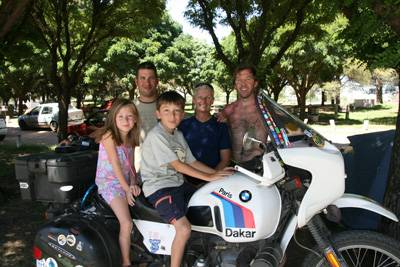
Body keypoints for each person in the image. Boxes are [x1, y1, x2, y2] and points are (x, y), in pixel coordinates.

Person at [140, 91, 233, 267]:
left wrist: (217, 175)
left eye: (176, 111)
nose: (172, 115)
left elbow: (192, 161)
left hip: (177, 184)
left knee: (208, 201)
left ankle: (203, 251)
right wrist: (209, 176)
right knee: (183, 229)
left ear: (183, 114)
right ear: (158, 113)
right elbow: (179, 166)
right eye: (166, 111)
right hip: (159, 188)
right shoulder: (157, 136)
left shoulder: (177, 134)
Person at [92, 98, 141, 267]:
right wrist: (127, 189)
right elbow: (115, 164)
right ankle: (126, 262)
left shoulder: (131, 138)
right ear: (113, 118)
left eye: (129, 116)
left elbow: (131, 166)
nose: (126, 120)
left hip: (125, 182)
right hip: (111, 184)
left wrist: (134, 182)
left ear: (135, 119)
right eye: (120, 117)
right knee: (126, 222)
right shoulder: (109, 136)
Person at [179, 83, 231, 186]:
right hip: (186, 180)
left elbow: (225, 160)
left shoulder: (220, 126)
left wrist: (210, 180)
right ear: (194, 99)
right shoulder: (183, 126)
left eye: (208, 98)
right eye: (200, 97)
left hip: (213, 180)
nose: (203, 101)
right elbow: (180, 159)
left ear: (212, 100)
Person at [218, 65, 268, 164]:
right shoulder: (228, 110)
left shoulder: (266, 109)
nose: (243, 84)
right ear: (234, 85)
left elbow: (289, 128)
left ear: (255, 83)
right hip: (235, 166)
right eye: (238, 80)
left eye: (248, 79)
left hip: (260, 166)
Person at [134, 61, 159, 141]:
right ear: (136, 81)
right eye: (142, 78)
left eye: (151, 78)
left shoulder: (168, 107)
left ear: (157, 81)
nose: (147, 83)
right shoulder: (128, 108)